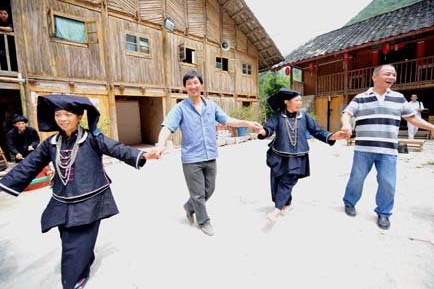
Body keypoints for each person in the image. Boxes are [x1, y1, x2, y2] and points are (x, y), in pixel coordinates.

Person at [0, 94, 162, 289]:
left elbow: (118, 149)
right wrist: (5, 183)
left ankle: (73, 279)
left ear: (78, 117)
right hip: (61, 201)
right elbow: (30, 164)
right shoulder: (51, 143)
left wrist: (144, 154)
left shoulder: (93, 139)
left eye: (68, 114)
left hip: (90, 200)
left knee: (75, 243)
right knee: (67, 236)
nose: (62, 119)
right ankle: (84, 258)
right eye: (58, 114)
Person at [156, 70, 262, 236]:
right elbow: (168, 126)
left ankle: (189, 206)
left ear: (201, 85)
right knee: (198, 194)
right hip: (191, 158)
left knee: (209, 189)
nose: (193, 86)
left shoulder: (211, 106)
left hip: (210, 155)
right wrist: (160, 144)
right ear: (185, 87)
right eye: (189, 83)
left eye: (195, 82)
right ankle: (204, 221)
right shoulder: (180, 108)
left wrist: (248, 123)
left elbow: (227, 120)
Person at [340, 64, 434, 230]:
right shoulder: (360, 97)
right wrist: (346, 124)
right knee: (357, 179)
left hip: (388, 150)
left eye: (394, 75)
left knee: (388, 183)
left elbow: (412, 118)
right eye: (388, 74)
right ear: (375, 77)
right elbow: (347, 114)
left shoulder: (399, 98)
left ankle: (384, 213)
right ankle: (349, 202)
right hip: (364, 149)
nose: (392, 77)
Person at [257, 88, 347, 221]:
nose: (300, 103)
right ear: (287, 101)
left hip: (298, 156)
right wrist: (263, 132)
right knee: (277, 180)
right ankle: (286, 203)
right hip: (279, 155)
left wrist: (333, 136)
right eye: (297, 100)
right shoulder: (277, 116)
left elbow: (317, 131)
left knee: (288, 181)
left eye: (300, 100)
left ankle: (277, 209)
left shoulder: (305, 117)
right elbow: (268, 128)